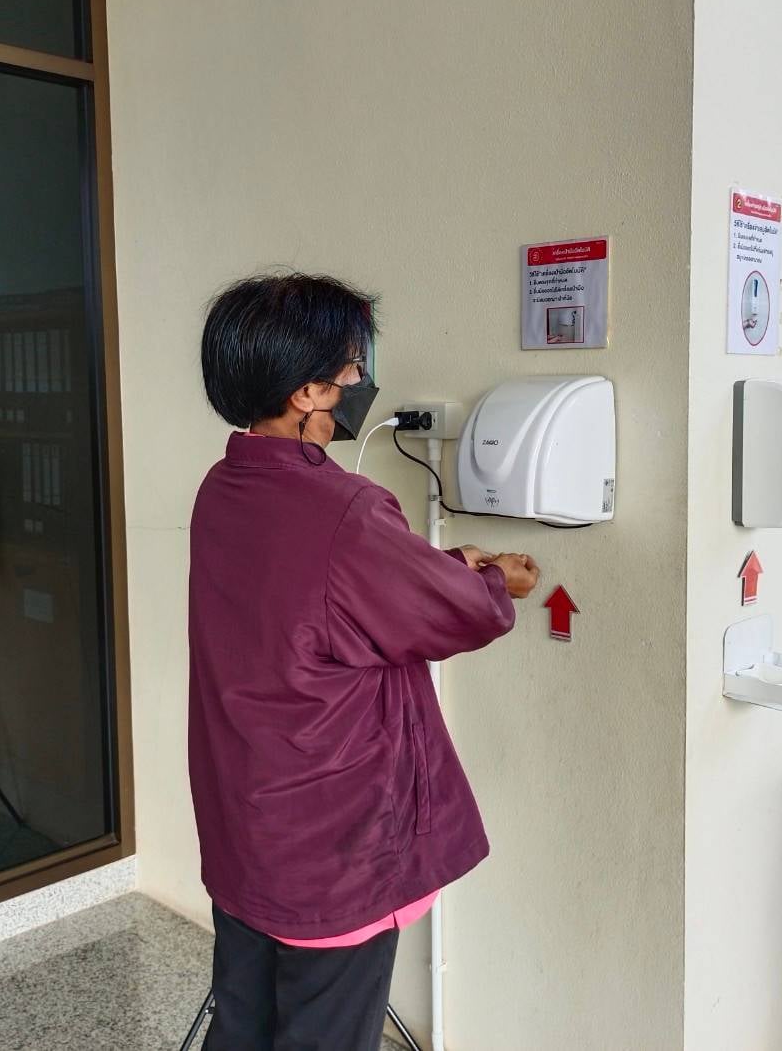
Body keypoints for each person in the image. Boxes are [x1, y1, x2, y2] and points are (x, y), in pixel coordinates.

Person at [189, 272, 538, 1049]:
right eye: (350, 369)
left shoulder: (224, 488)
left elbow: (324, 601)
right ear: (308, 392)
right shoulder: (341, 508)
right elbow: (452, 611)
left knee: (242, 1024)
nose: (359, 382)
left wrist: (441, 565)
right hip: (332, 844)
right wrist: (495, 581)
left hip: (247, 825)